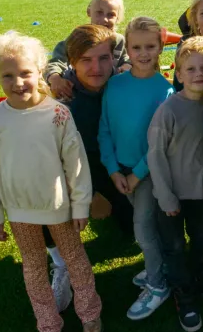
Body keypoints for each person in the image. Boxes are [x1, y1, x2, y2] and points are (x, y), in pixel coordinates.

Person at [0, 32, 102, 332]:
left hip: (59, 209)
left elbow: (76, 164)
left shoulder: (57, 114)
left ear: (39, 71)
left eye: (25, 73)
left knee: (76, 260)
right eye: (8, 75)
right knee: (33, 269)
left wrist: (79, 204)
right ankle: (49, 328)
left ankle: (90, 315)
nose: (18, 82)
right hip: (19, 213)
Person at [44, 23, 135, 314]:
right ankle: (59, 263)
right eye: (86, 60)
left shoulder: (122, 85)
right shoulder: (59, 100)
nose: (96, 67)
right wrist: (88, 194)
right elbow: (51, 163)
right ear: (71, 62)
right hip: (72, 175)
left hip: (113, 168)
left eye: (103, 58)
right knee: (43, 194)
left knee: (132, 232)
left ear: (114, 58)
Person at [97, 16, 174, 320]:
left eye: (150, 47)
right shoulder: (114, 85)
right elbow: (105, 129)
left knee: (143, 230)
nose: (143, 53)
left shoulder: (164, 92)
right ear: (127, 48)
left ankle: (157, 285)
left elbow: (158, 146)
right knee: (146, 229)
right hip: (122, 173)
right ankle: (159, 266)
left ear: (160, 48)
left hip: (148, 174)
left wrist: (135, 174)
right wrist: (114, 170)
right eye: (137, 47)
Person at [148, 37, 203, 332]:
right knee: (175, 248)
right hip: (170, 196)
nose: (198, 74)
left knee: (202, 239)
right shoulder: (168, 110)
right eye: (190, 69)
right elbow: (155, 156)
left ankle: (201, 276)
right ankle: (184, 293)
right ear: (178, 74)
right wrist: (166, 197)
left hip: (200, 195)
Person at [46, 0, 129, 99]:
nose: (104, 19)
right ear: (89, 11)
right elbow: (56, 61)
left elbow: (128, 58)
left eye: (111, 15)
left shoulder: (120, 40)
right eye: (99, 12)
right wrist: (55, 77)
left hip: (111, 95)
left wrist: (128, 64)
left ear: (118, 17)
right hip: (81, 93)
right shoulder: (79, 38)